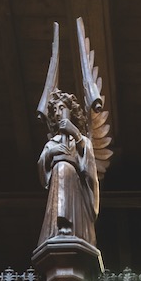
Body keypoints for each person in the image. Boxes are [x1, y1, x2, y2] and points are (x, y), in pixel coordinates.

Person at [37, 90, 100, 248]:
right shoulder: (52, 143)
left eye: (62, 108)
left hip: (76, 192)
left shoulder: (81, 140)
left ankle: (71, 225)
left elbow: (90, 169)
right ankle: (57, 226)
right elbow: (42, 167)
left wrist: (76, 134)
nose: (58, 113)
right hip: (57, 190)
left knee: (65, 167)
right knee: (61, 167)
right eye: (55, 110)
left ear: (71, 112)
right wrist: (51, 152)